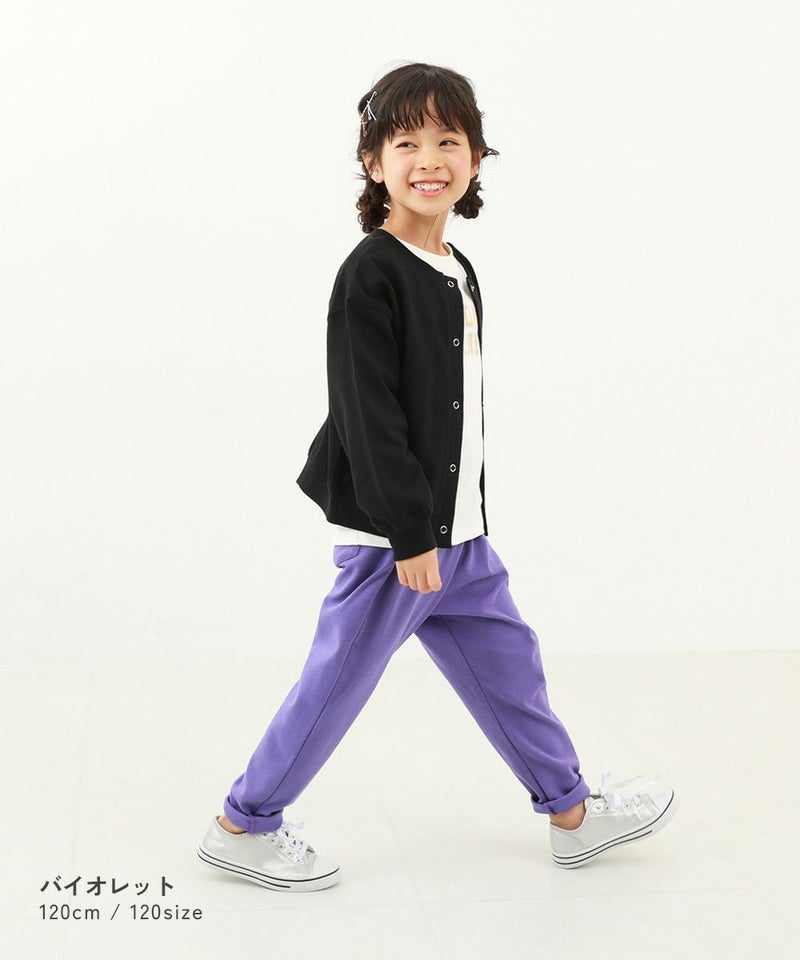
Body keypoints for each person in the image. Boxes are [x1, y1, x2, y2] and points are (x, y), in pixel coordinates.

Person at [197, 62, 678, 892]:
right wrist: (411, 534)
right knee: (337, 684)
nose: (429, 158)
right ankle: (244, 823)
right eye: (406, 142)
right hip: (399, 540)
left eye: (449, 140)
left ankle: (572, 815)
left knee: (510, 667)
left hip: (460, 537)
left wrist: (456, 528)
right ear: (373, 163)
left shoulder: (456, 265)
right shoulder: (371, 272)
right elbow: (367, 413)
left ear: (477, 158)